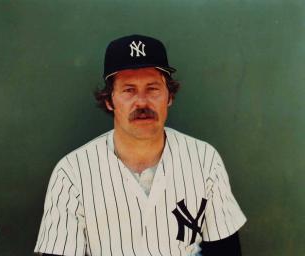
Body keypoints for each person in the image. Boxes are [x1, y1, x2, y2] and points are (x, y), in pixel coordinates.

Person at [34, 34, 246, 256]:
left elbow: (226, 252)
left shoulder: (204, 160)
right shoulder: (72, 173)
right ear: (109, 100)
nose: (142, 101)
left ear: (169, 96)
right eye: (129, 90)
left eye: (153, 88)